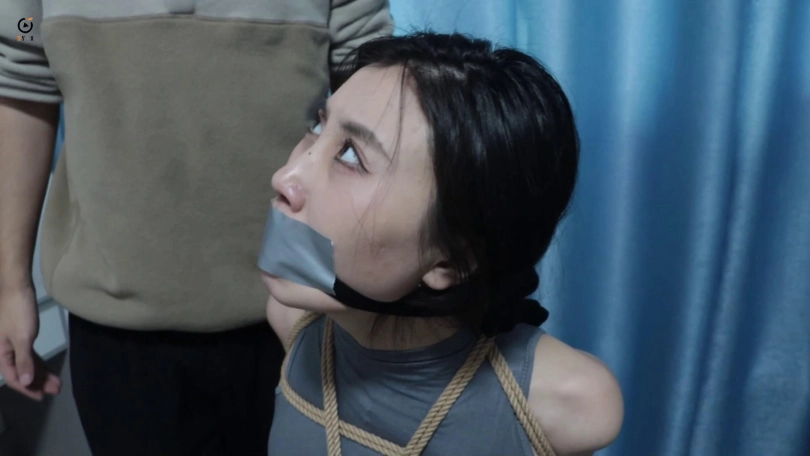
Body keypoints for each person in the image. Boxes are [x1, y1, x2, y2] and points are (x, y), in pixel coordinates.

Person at [0, 2, 392, 455]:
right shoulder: (27, 16)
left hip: (300, 314)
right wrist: (11, 285)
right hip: (115, 324)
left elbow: (374, 77)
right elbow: (23, 55)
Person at [258, 32, 624, 456]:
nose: (284, 178)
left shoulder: (569, 402)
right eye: (318, 126)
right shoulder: (291, 319)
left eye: (351, 155)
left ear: (453, 259)